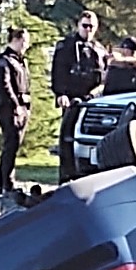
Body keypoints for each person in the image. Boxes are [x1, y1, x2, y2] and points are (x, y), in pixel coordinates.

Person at [50, 10, 107, 183]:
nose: (88, 30)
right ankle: (65, 177)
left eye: (92, 27)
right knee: (67, 138)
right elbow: (58, 72)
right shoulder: (66, 46)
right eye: (85, 26)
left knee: (90, 139)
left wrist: (96, 94)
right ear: (78, 26)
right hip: (71, 98)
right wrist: (60, 94)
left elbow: (104, 77)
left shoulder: (100, 50)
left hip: (92, 100)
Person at [0, 27, 31, 196]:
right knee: (11, 143)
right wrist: (16, 106)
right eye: (24, 42)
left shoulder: (20, 61)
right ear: (15, 40)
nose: (26, 45)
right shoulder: (4, 61)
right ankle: (6, 183)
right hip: (8, 107)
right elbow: (5, 87)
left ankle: (6, 182)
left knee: (14, 144)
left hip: (22, 105)